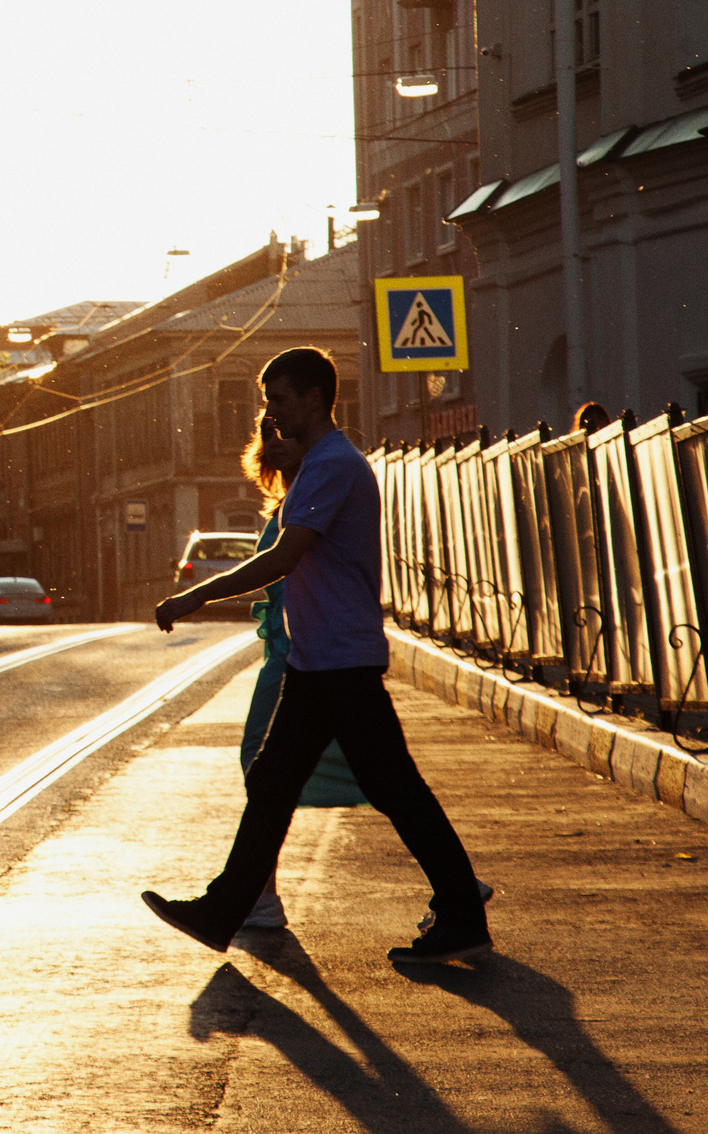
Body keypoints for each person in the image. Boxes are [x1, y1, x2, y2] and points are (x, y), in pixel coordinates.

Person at [142, 346, 492, 965]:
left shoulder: (331, 464)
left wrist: (195, 595)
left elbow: (283, 557)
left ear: (312, 399)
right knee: (279, 784)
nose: (270, 413)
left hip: (341, 663)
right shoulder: (318, 465)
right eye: (266, 401)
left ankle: (462, 908)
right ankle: (225, 908)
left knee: (391, 790)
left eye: (278, 399)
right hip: (318, 661)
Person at [233, 416, 368, 931]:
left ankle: (256, 897)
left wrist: (198, 593)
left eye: (285, 430)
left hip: (305, 654)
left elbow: (281, 564)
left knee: (263, 766)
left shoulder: (320, 487)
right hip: (303, 652)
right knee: (381, 778)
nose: (277, 443)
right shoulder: (293, 501)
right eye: (268, 435)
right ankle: (455, 884)